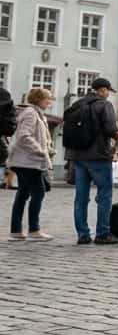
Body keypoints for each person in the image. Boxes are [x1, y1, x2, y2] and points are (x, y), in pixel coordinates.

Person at [69, 77, 118, 245]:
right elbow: (111, 129)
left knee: (81, 197)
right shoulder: (104, 105)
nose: (108, 95)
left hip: (77, 156)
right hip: (98, 156)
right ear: (103, 90)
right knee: (104, 194)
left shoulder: (77, 104)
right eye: (107, 91)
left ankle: (83, 234)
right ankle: (102, 233)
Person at [8, 88, 55, 242]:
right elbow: (24, 136)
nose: (49, 102)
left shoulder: (37, 114)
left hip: (27, 160)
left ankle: (16, 231)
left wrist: (47, 147)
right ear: (38, 99)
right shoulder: (30, 113)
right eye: (47, 99)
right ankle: (34, 230)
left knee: (23, 193)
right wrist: (40, 150)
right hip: (29, 161)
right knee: (38, 192)